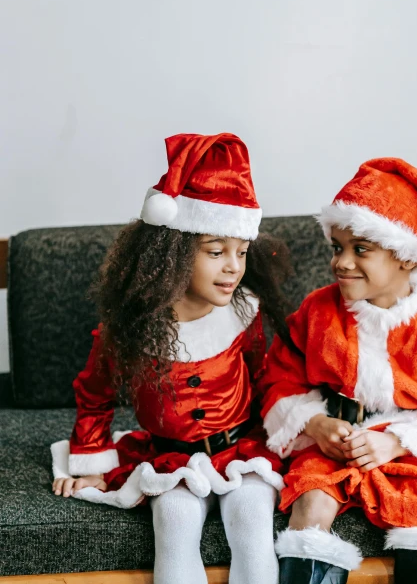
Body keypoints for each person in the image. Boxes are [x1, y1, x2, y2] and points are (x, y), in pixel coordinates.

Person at [51, 132, 290, 584]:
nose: (233, 267)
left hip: (244, 449)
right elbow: (94, 394)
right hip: (170, 459)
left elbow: (266, 378)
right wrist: (92, 463)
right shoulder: (131, 329)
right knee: (175, 521)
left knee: (252, 519)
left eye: (241, 252)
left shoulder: (245, 313)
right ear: (173, 255)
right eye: (216, 252)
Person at [260, 158, 417, 584]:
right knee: (310, 498)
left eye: (361, 250)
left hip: (409, 451)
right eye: (338, 247)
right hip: (335, 441)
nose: (342, 262)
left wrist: (397, 441)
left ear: (407, 258)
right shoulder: (316, 313)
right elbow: (280, 375)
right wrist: (314, 423)